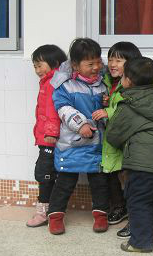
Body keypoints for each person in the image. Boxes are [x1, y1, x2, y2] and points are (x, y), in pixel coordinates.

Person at [106, 57, 153, 253]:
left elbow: (113, 135)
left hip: (143, 160)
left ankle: (140, 242)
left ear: (128, 80)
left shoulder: (129, 105)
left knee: (138, 199)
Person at [46, 38, 109, 235]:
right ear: (75, 65)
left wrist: (106, 104)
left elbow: (104, 111)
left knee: (99, 182)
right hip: (72, 143)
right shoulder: (65, 86)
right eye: (90, 64)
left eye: (98, 62)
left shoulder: (102, 84)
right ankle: (55, 216)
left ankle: (101, 214)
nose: (96, 67)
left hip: (96, 143)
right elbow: (63, 109)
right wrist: (80, 124)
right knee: (65, 182)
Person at [92, 42, 142, 238]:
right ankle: (120, 207)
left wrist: (109, 111)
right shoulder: (107, 81)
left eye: (118, 60)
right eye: (111, 59)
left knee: (129, 179)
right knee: (112, 174)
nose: (112, 64)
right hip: (112, 139)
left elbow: (131, 108)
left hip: (128, 141)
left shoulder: (135, 83)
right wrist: (107, 102)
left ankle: (133, 216)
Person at [26, 44, 67, 227]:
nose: (37, 70)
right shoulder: (49, 81)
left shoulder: (53, 83)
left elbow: (52, 110)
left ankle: (43, 213)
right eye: (35, 66)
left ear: (55, 63)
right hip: (48, 138)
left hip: (50, 139)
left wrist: (50, 133)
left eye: (40, 65)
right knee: (49, 174)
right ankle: (50, 210)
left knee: (45, 174)